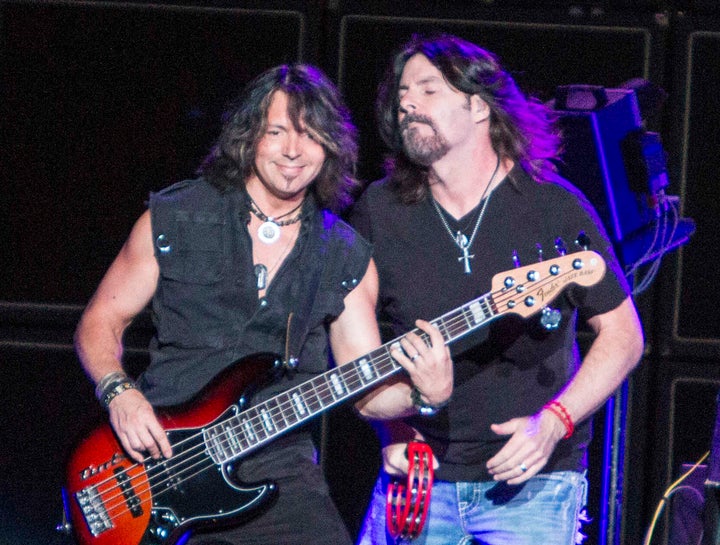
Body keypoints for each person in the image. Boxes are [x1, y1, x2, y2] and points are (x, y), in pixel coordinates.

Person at [352, 34, 645, 545]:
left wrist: (553, 422)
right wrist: (392, 428)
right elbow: (355, 357)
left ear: (480, 106)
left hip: (533, 483)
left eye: (428, 90)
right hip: (419, 480)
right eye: (402, 94)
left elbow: (624, 335)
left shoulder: (553, 208)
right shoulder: (379, 210)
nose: (408, 104)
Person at [74, 64, 383, 545]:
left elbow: (370, 389)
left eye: (310, 135)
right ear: (249, 135)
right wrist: (120, 394)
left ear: (331, 146)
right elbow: (101, 321)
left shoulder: (344, 255)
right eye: (277, 132)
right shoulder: (177, 217)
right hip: (162, 459)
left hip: (280, 469)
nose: (293, 150)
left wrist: (425, 395)